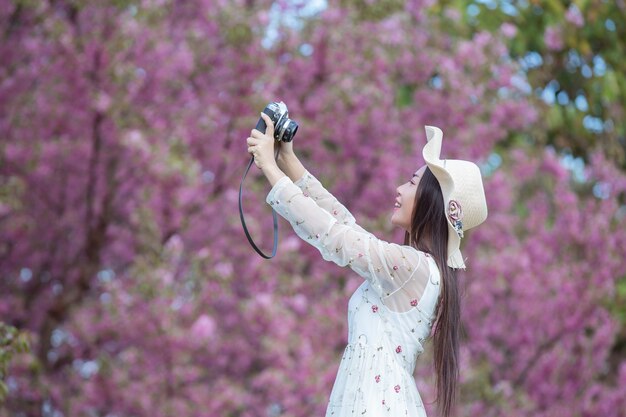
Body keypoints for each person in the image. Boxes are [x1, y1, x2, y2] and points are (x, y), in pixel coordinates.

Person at [246, 112, 488, 417]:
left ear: (432, 202)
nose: (399, 189)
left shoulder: (413, 266)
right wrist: (288, 161)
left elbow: (335, 236)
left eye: (412, 183)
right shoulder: (419, 269)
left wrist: (269, 166)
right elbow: (343, 225)